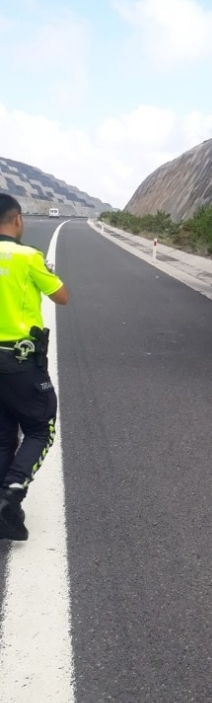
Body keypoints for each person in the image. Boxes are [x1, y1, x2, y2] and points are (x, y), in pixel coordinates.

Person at [0, 195, 69, 541]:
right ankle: (12, 492)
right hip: (20, 361)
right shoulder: (29, 257)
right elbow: (61, 297)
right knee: (41, 429)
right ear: (17, 221)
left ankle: (5, 513)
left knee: (2, 436)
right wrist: (44, 275)